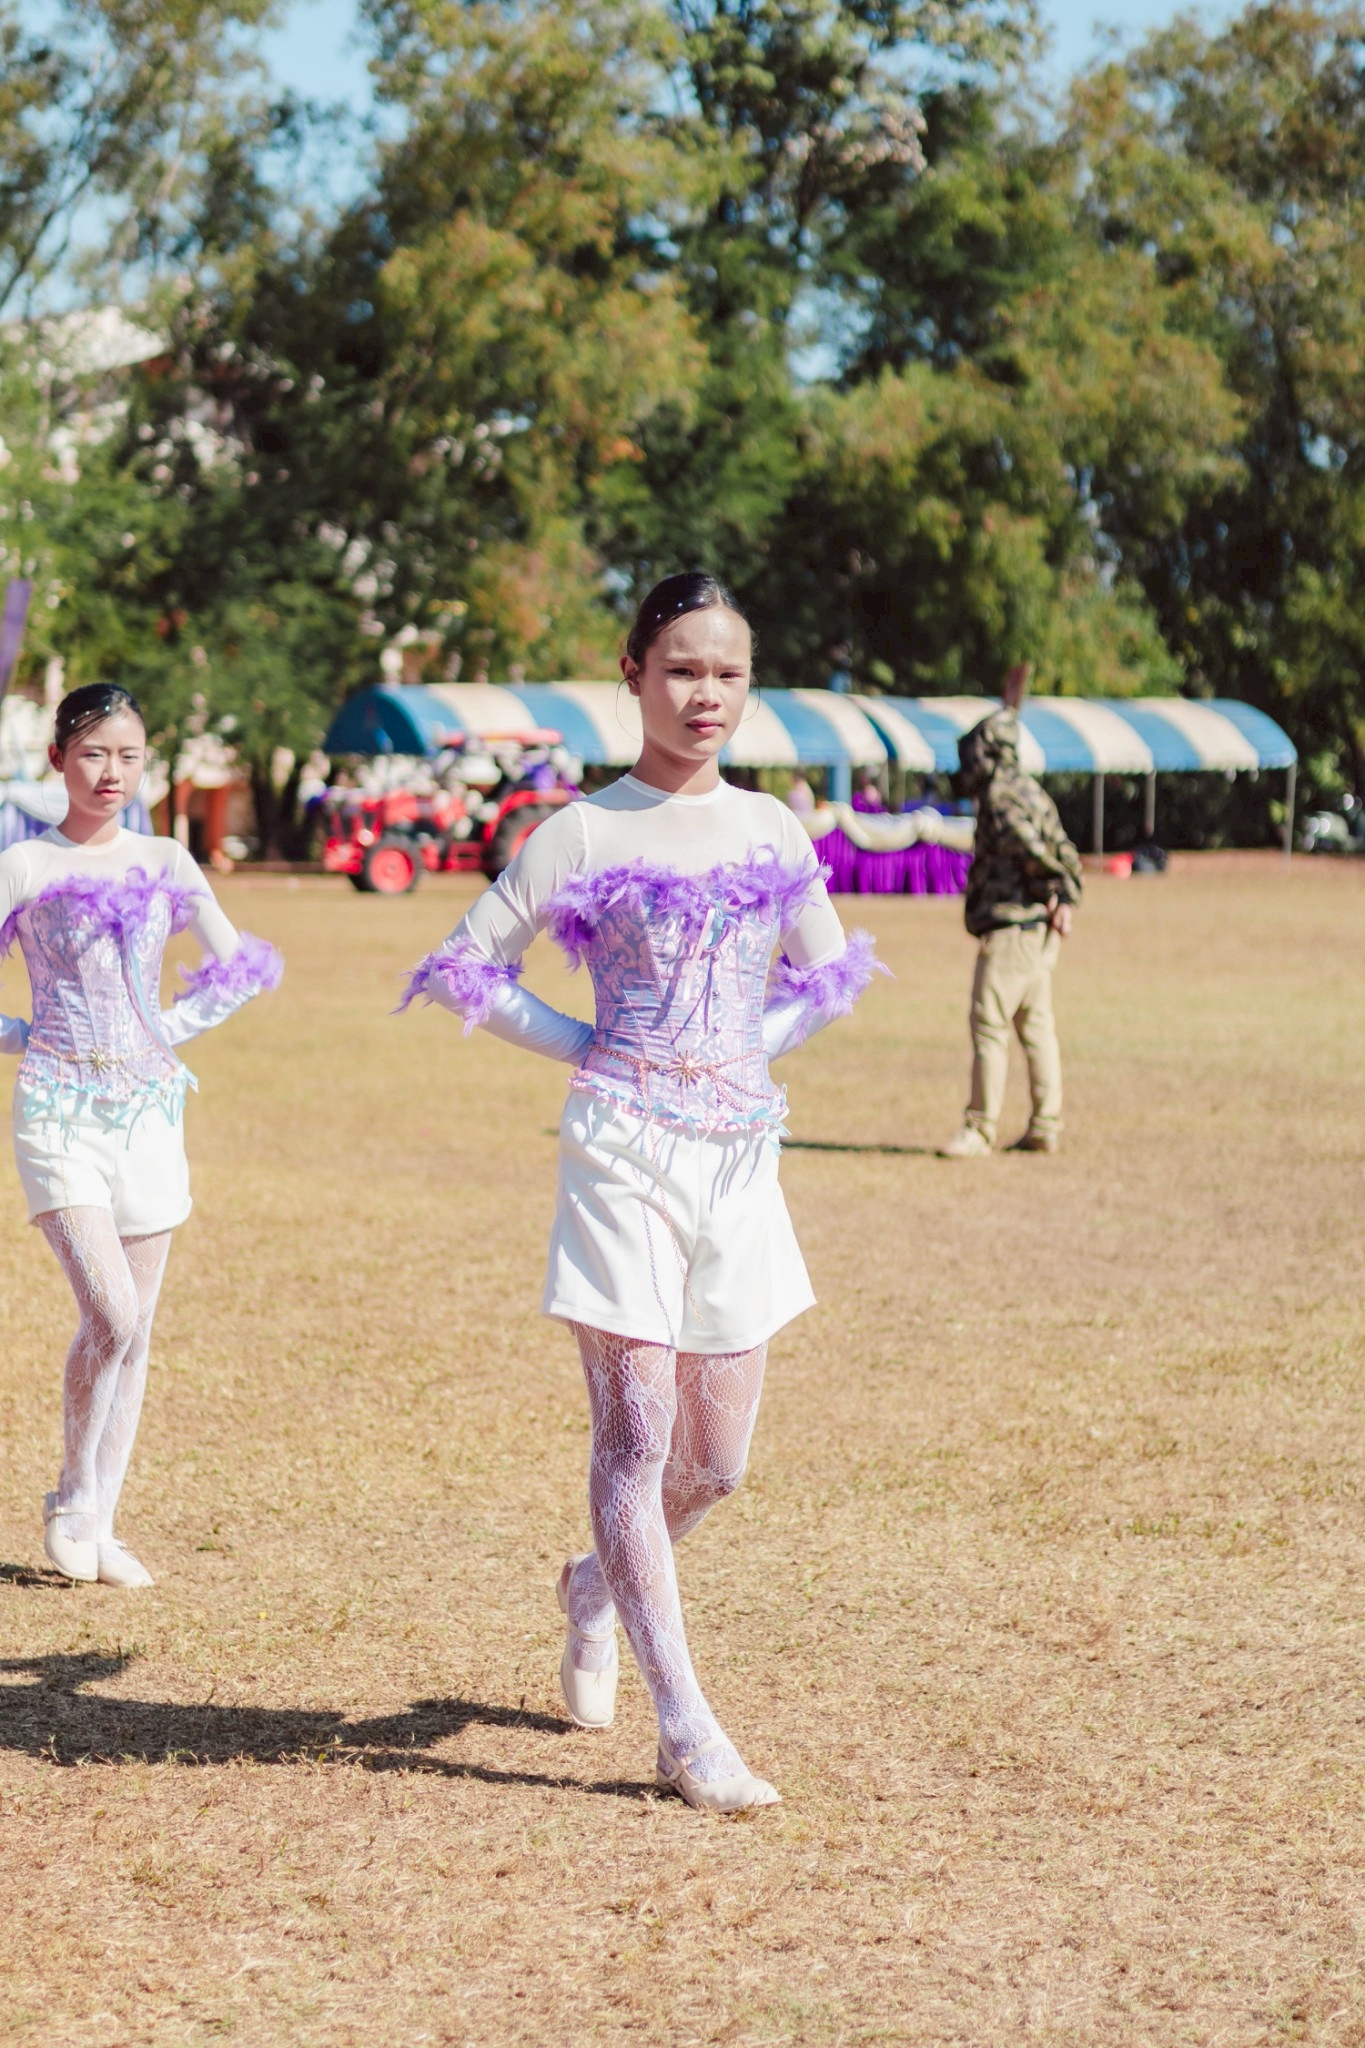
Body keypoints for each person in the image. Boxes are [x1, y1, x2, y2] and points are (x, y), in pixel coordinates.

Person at [402, 572, 882, 1813]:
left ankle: (593, 1582)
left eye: (727, 671)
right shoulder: (580, 831)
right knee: (636, 1434)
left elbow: (831, 977)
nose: (704, 692)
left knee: (715, 1464)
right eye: (681, 668)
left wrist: (742, 1051)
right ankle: (686, 1729)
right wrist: (587, 1045)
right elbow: (462, 964)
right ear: (634, 674)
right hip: (619, 1148)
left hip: (740, 1155)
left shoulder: (774, 829)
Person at [0, 683, 283, 1587]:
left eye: (126, 755)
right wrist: (22, 1034)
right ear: (57, 760)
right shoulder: (25, 865)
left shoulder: (166, 858)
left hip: (152, 1113)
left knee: (140, 1327)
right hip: (56, 1109)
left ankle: (103, 1521)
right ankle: (71, 1495)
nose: (109, 771)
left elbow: (239, 966)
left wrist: (166, 1028)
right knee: (110, 1314)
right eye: (91, 753)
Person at [940, 668, 1082, 1159]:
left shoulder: (1000, 797)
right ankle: (1046, 1123)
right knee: (1035, 1027)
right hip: (1035, 928)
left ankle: (979, 1129)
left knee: (989, 1024)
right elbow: (1063, 846)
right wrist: (1065, 893)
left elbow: (1032, 848)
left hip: (1011, 927)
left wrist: (1057, 885)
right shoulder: (1031, 790)